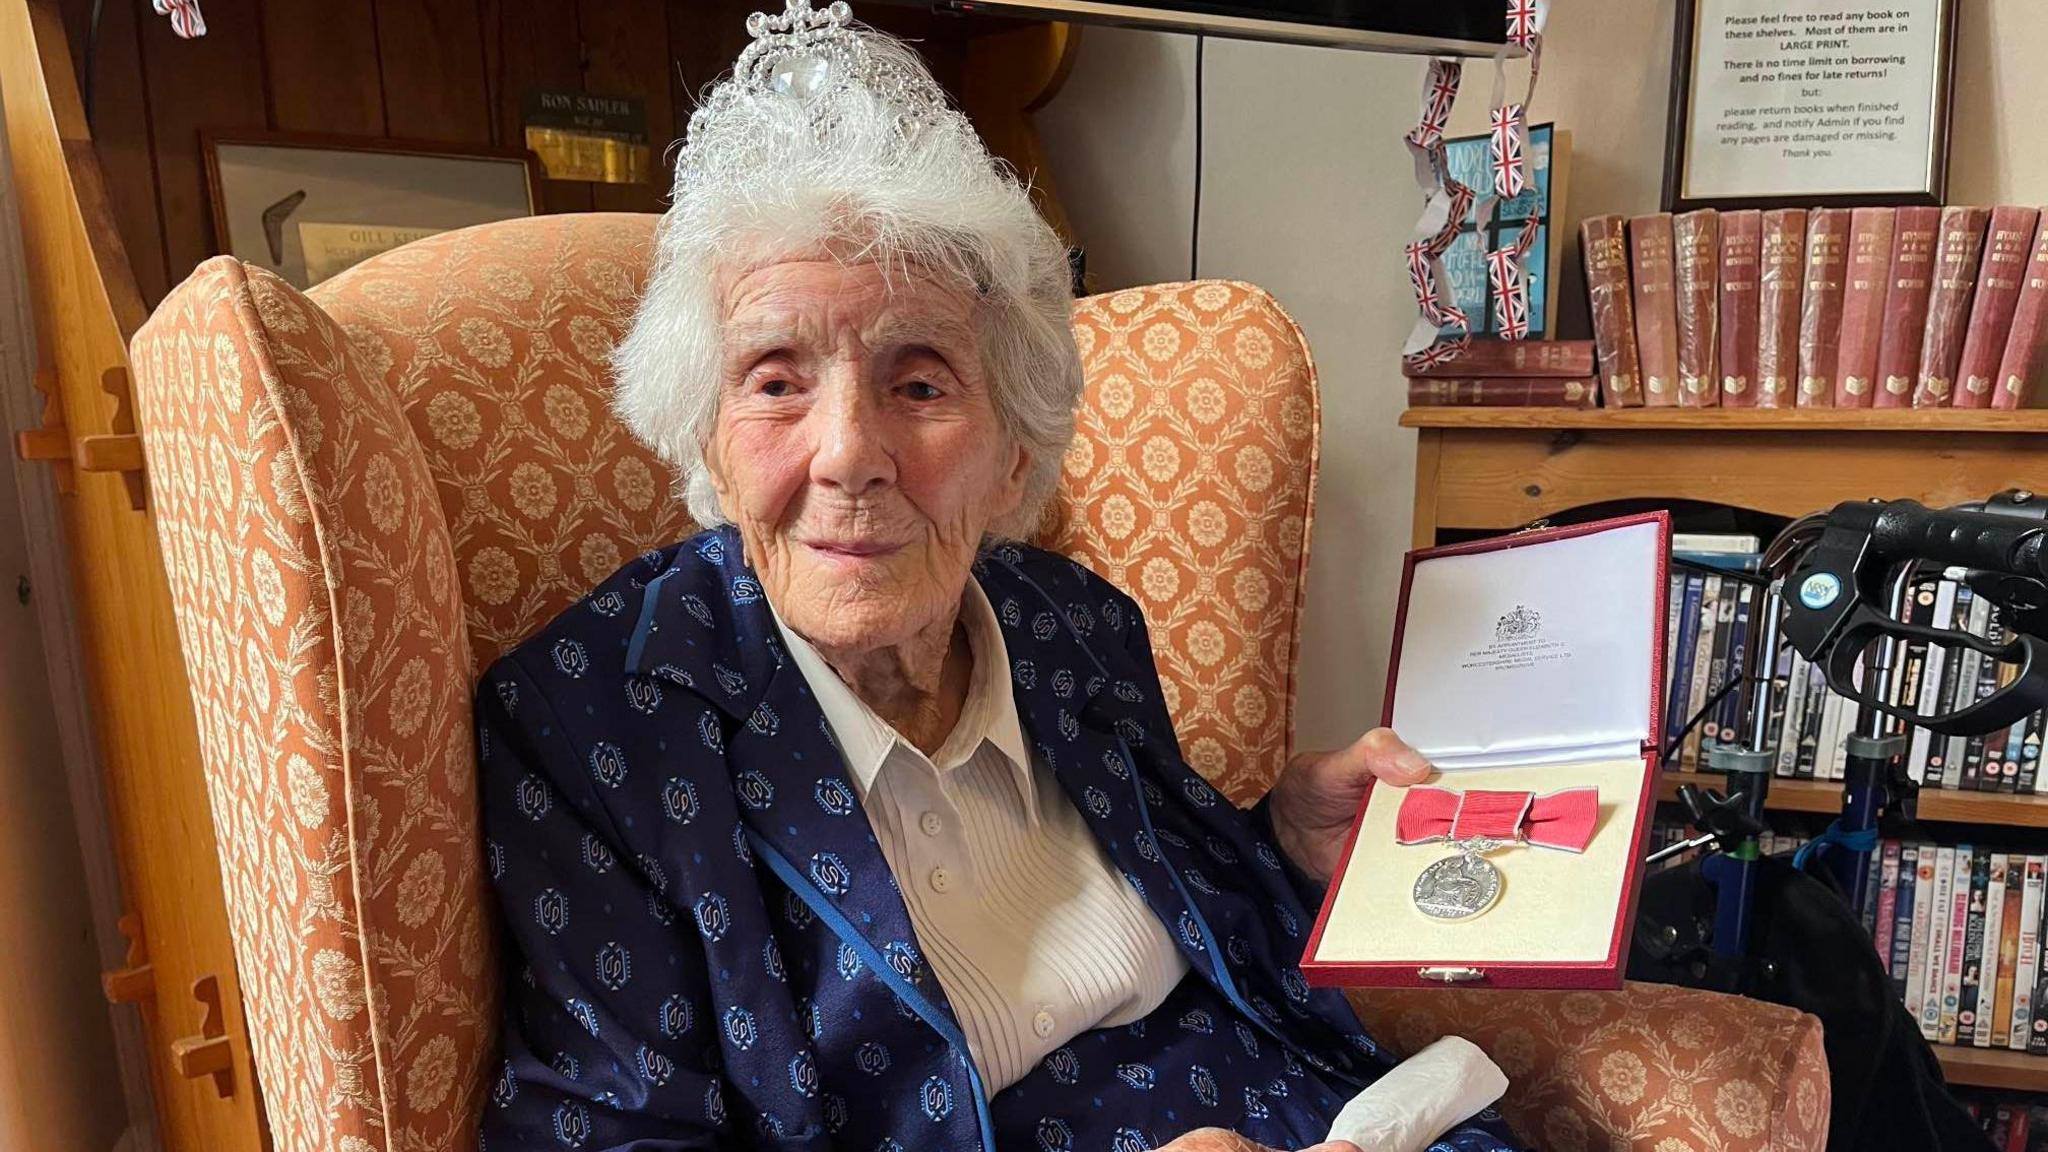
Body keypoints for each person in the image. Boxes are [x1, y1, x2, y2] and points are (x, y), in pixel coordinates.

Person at [475, 3, 1524, 1149]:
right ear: (706, 440)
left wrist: (1279, 843)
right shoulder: (593, 728)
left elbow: (1177, 906)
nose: (847, 455)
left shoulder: (1069, 624)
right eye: (774, 382)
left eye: (918, 385)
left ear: (1013, 446)